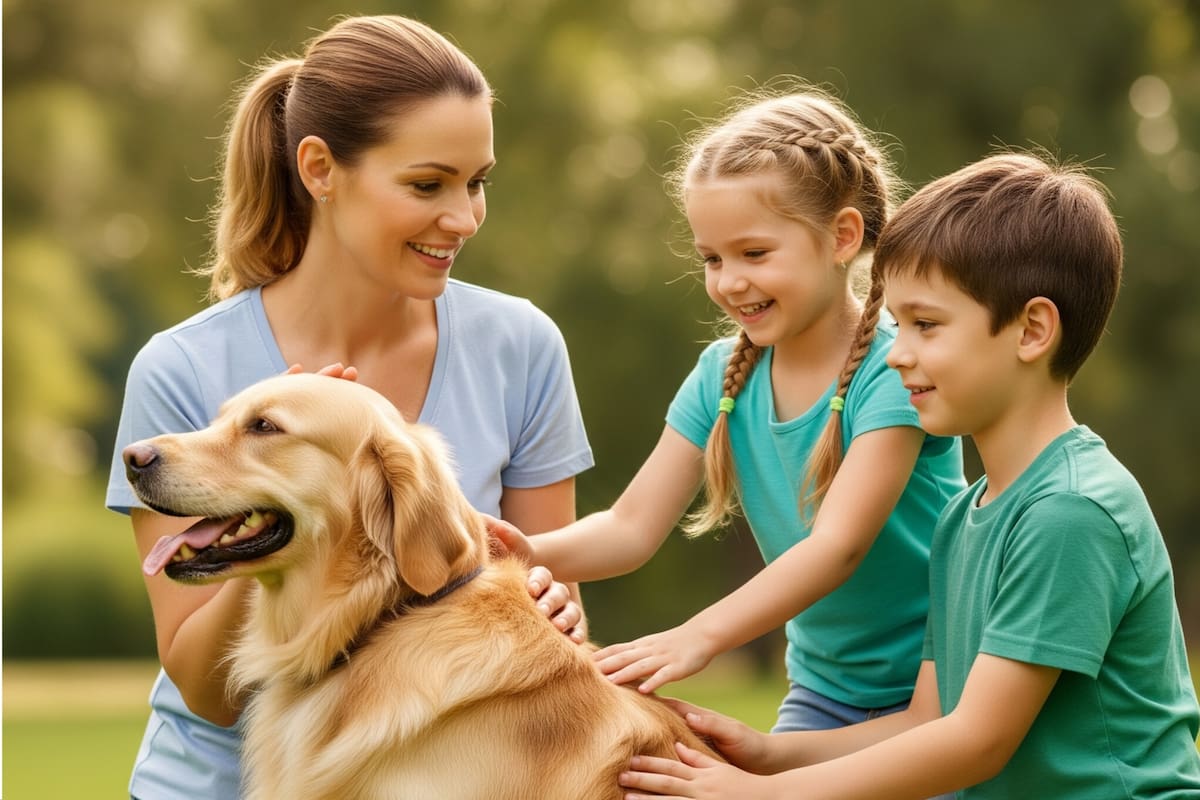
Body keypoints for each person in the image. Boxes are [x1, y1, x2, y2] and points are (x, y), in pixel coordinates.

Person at [104, 15, 594, 799]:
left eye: (477, 183)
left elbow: (552, 602)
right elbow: (207, 692)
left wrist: (552, 602)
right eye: (428, 185)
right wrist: (273, 510)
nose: (463, 218)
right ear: (320, 168)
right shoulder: (183, 366)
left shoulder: (522, 346)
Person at [617, 152, 1200, 799]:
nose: (896, 353)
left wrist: (763, 795)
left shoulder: (1071, 509)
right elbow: (924, 721)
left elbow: (977, 742)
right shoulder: (964, 518)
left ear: (1032, 330)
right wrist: (769, 754)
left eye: (925, 324)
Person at [489, 86, 965, 736]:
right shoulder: (722, 377)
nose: (729, 281)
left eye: (755, 253)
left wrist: (699, 636)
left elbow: (837, 548)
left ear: (842, 237)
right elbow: (630, 526)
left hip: (942, 688)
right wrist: (515, 552)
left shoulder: (894, 372)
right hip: (825, 692)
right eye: (711, 258)